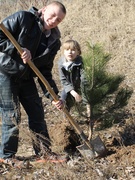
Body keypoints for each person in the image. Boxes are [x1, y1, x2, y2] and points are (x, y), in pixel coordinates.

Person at [0, 1, 67, 165]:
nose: (53, 20)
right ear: (43, 10)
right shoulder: (23, 18)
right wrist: (18, 49)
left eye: (58, 20)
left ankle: (44, 152)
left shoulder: (53, 42)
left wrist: (53, 95)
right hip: (5, 73)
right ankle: (7, 157)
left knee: (37, 114)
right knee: (12, 116)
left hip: (26, 78)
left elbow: (45, 71)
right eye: (52, 15)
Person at [58, 40, 90, 120]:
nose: (70, 52)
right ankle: (66, 120)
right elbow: (63, 80)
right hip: (69, 88)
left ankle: (90, 117)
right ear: (63, 52)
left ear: (78, 52)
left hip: (81, 86)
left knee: (88, 100)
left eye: (73, 50)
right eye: (67, 50)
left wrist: (83, 95)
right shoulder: (61, 64)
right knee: (63, 99)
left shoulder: (81, 62)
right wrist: (73, 92)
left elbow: (84, 78)